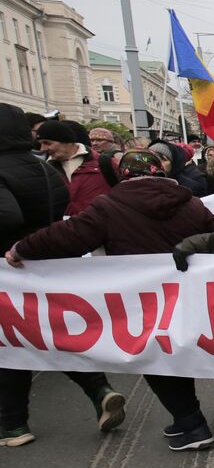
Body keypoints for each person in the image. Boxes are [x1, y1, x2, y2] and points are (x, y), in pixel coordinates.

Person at [6, 151, 214, 450]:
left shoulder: (109, 205)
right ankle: (188, 421)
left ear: (121, 175)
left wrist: (22, 249)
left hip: (141, 301)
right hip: (190, 295)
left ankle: (192, 424)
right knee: (179, 350)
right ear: (159, 170)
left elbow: (68, 236)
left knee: (155, 355)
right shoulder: (190, 203)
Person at [0, 104, 126, 448]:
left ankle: (13, 425)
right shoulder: (44, 170)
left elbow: (8, 216)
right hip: (45, 264)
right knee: (41, 337)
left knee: (12, 344)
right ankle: (98, 389)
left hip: (11, 267)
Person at [35, 120, 111, 215]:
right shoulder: (44, 169)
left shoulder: (105, 163)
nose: (42, 149)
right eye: (40, 144)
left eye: (47, 143)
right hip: (65, 227)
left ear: (66, 141)